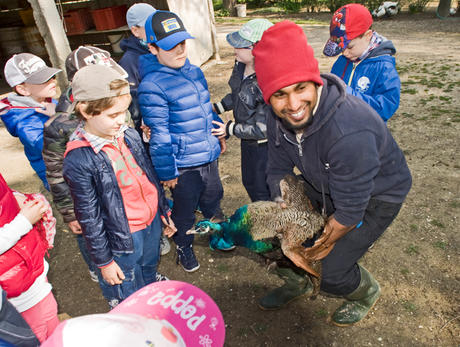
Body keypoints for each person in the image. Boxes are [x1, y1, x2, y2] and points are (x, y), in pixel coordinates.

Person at [252, 21, 412, 326]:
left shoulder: (350, 128)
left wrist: (318, 244)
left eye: (301, 88)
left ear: (316, 82)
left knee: (328, 270)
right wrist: (284, 204)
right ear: (267, 96)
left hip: (377, 194)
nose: (294, 105)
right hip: (324, 180)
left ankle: (366, 292)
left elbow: (350, 208)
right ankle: (297, 282)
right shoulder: (276, 117)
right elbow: (277, 168)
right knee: (270, 234)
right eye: (280, 94)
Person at [63, 65, 176, 309]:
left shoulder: (128, 134)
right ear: (85, 110)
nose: (121, 120)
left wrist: (163, 210)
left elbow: (149, 177)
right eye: (112, 115)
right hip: (123, 234)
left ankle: (148, 288)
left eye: (124, 113)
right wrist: (104, 262)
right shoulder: (79, 159)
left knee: (148, 262)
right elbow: (89, 217)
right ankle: (128, 306)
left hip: (151, 221)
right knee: (127, 273)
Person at [138, 10, 225, 272]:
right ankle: (184, 246)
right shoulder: (152, 85)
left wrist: (217, 135)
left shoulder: (195, 71)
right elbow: (160, 135)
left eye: (182, 43)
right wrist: (167, 171)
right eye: (169, 46)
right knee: (185, 210)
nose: (179, 50)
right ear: (152, 48)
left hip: (207, 154)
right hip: (184, 164)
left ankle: (216, 234)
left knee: (213, 198)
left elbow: (204, 108)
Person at [43, 46, 129, 285]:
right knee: (89, 232)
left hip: (116, 190)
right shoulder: (59, 125)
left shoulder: (112, 104)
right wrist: (70, 213)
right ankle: (97, 267)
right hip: (86, 199)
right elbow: (56, 173)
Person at [120, 5, 172, 255]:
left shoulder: (164, 48)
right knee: (153, 179)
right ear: (135, 30)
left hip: (168, 123)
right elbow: (132, 103)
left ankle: (171, 207)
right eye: (147, 24)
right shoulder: (130, 62)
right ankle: (159, 224)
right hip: (148, 130)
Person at [212, 19, 273, 203]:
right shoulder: (240, 66)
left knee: (264, 188)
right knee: (249, 182)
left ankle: (270, 226)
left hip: (264, 146)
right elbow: (237, 93)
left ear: (257, 50)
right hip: (247, 142)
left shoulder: (268, 81)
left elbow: (263, 127)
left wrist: (230, 129)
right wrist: (219, 107)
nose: (235, 50)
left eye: (240, 46)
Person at [0, 172, 58, 342]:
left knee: (50, 325)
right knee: (43, 335)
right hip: (18, 295)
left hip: (30, 276)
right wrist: (23, 222)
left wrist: (14, 197)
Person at [323, 3, 401, 122]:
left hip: (366, 133)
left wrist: (348, 94)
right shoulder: (342, 61)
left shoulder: (384, 68)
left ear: (368, 36)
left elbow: (385, 108)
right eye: (341, 48)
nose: (344, 53)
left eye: (349, 47)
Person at [0, 53, 61, 190]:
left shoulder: (46, 101)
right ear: (23, 89)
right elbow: (54, 149)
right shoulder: (26, 125)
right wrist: (58, 118)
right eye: (44, 80)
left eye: (52, 77)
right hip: (61, 180)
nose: (53, 82)